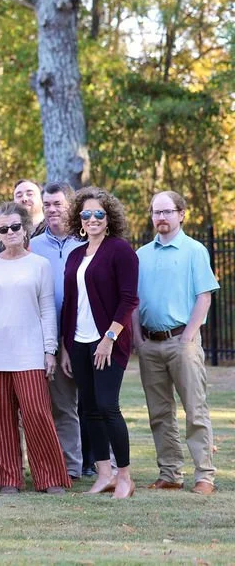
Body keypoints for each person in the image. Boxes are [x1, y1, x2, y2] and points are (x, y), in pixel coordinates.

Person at [0, 202, 70, 494]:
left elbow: (48, 309)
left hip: (30, 354)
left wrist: (49, 349)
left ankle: (50, 477)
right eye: (4, 228)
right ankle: (7, 478)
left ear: (25, 229)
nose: (10, 232)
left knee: (37, 414)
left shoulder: (39, 265)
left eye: (15, 226)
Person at [133, 191, 219, 495]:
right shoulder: (142, 255)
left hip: (182, 341)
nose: (161, 218)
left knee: (195, 410)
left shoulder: (194, 251)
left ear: (181, 214)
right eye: (156, 212)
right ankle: (170, 473)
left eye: (167, 212)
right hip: (150, 344)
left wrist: (187, 337)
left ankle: (205, 476)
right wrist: (137, 340)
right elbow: (133, 301)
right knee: (159, 413)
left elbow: (204, 297)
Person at [60, 187, 139, 500]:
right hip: (78, 342)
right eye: (86, 214)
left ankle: (125, 477)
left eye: (98, 214)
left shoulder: (120, 250)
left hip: (107, 341)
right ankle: (104, 473)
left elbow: (129, 299)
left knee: (108, 407)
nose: (92, 219)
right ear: (79, 218)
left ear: (109, 219)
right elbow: (69, 302)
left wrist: (109, 337)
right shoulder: (76, 254)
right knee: (88, 408)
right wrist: (66, 345)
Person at [29, 182, 85, 479]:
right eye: (47, 204)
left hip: (85, 332)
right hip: (46, 335)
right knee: (59, 405)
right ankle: (66, 466)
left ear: (70, 205)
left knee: (97, 405)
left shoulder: (87, 241)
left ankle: (106, 464)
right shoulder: (34, 246)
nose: (51, 209)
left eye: (57, 204)